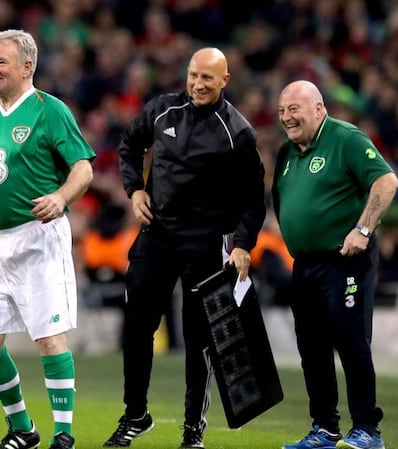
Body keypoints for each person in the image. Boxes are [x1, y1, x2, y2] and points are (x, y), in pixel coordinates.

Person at [103, 47, 266, 449]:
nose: (197, 83)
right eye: (193, 75)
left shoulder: (238, 132)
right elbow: (129, 145)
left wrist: (244, 244)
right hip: (156, 236)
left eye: (207, 78)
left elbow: (254, 198)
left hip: (205, 243)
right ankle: (135, 416)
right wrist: (135, 190)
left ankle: (193, 430)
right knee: (137, 326)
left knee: (200, 339)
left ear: (224, 80)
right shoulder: (161, 110)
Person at [0, 29, 95, 449]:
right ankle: (23, 429)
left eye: (0, 62)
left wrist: (62, 196)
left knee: (48, 338)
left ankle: (64, 434)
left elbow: (83, 167)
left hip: (38, 237)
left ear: (28, 66)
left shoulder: (49, 110)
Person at [273, 80, 398, 449]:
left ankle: (367, 430)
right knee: (311, 347)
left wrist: (362, 229)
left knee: (350, 339)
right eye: (282, 111)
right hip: (306, 263)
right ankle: (324, 429)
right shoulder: (286, 153)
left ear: (318, 108)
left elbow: (386, 181)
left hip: (347, 258)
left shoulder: (346, 138)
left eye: (294, 109)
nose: (286, 118)